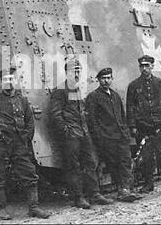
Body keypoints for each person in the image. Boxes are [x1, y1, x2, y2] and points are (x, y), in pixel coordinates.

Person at [0, 67, 50, 220]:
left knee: (29, 174)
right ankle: (1, 209)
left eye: (11, 79)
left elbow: (30, 122)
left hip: (18, 144)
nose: (8, 82)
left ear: (15, 81)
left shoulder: (22, 100)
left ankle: (34, 207)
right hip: (0, 144)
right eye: (5, 80)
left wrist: (26, 138)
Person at [48, 59, 114, 209]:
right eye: (73, 71)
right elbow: (55, 115)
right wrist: (66, 130)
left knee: (90, 163)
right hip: (71, 135)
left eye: (78, 71)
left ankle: (95, 194)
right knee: (73, 167)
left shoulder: (78, 90)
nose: (76, 74)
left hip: (83, 133)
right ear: (67, 72)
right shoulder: (60, 91)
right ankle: (78, 197)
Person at [86, 68, 141, 202]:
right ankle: (122, 190)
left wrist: (126, 132)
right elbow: (92, 120)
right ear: (98, 80)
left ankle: (127, 189)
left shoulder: (115, 95)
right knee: (114, 164)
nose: (107, 81)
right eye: (104, 78)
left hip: (121, 136)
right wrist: (99, 136)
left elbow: (122, 115)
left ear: (112, 79)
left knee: (125, 162)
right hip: (107, 137)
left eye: (109, 78)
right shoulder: (93, 97)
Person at [126, 55, 161, 195]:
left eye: (147, 65)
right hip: (144, 127)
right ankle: (148, 184)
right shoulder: (134, 86)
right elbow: (130, 107)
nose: (144, 69)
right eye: (142, 66)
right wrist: (133, 126)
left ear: (152, 66)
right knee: (146, 157)